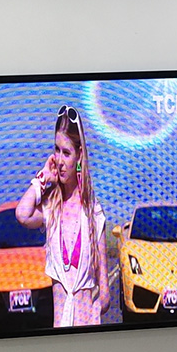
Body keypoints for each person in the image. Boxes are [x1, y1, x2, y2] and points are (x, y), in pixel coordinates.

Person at [16, 105, 108, 327]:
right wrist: (43, 178)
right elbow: (22, 214)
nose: (59, 160)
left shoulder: (93, 212)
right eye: (56, 150)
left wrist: (92, 311)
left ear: (79, 155)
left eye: (66, 153)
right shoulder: (51, 206)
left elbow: (105, 292)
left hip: (87, 331)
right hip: (59, 332)